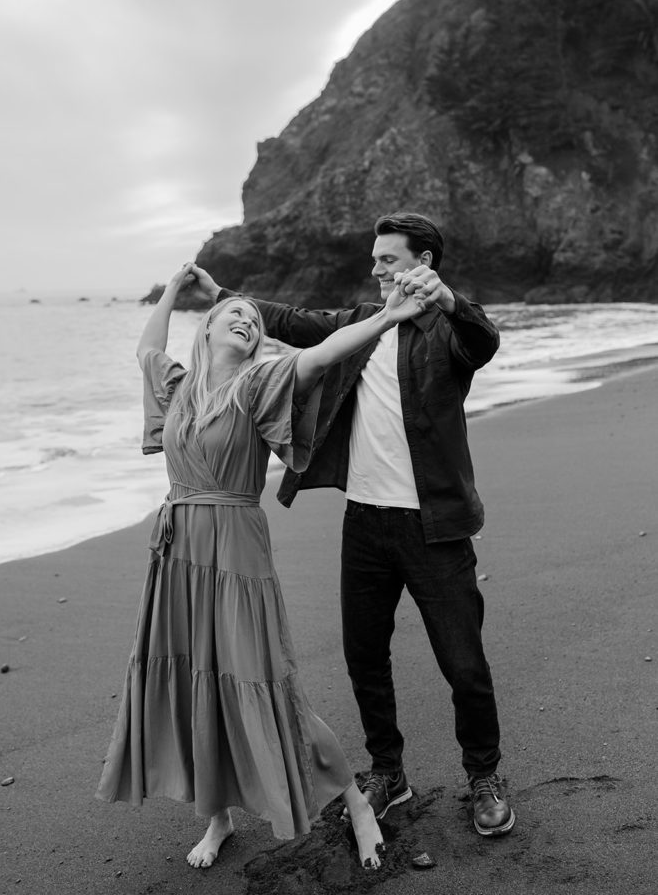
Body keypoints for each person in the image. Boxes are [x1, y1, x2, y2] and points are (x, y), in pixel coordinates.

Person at [188, 212, 516, 838]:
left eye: (388, 259)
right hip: (365, 523)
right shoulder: (363, 325)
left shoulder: (449, 333)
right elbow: (290, 319)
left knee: (464, 662)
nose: (376, 269)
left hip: (436, 526)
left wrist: (448, 301)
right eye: (376, 259)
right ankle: (387, 772)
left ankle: (484, 776)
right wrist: (225, 296)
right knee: (365, 656)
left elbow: (486, 340)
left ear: (424, 263)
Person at [96, 260, 427, 870]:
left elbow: (319, 357)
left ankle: (353, 802)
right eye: (234, 314)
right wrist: (173, 288)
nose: (246, 319)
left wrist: (386, 318)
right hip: (177, 551)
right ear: (209, 330)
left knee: (261, 677)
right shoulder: (179, 387)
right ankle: (216, 816)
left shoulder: (257, 385)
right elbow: (146, 348)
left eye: (253, 317)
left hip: (236, 547)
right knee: (194, 675)